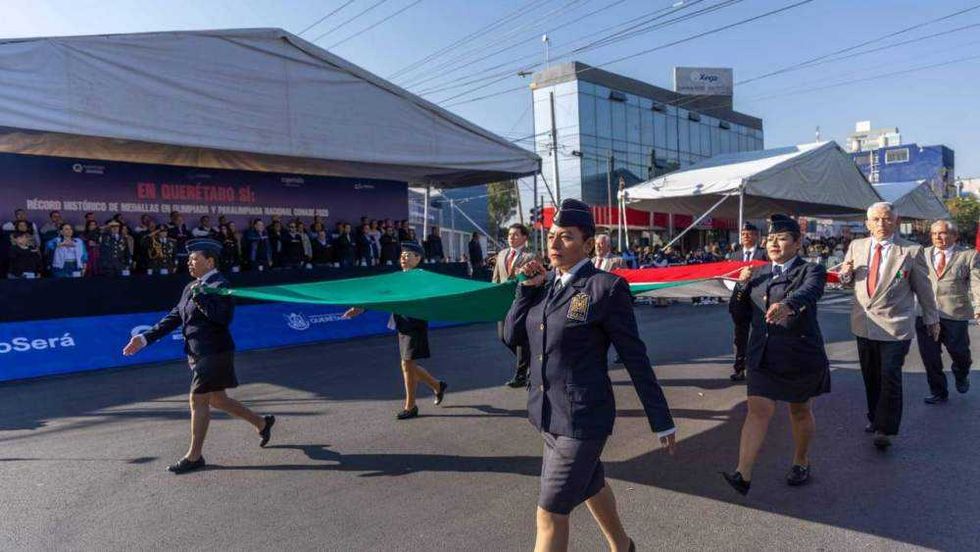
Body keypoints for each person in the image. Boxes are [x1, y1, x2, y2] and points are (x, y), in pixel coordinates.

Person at [505, 198, 676, 552]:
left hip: (583, 419)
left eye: (565, 237)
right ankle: (623, 546)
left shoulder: (605, 288)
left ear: (587, 244)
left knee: (549, 513)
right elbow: (511, 337)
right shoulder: (544, 284)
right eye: (551, 235)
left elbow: (635, 358)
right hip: (548, 415)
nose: (553, 244)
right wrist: (524, 290)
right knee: (590, 484)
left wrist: (661, 419)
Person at [122, 238, 275, 474]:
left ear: (210, 261)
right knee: (218, 400)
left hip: (215, 351)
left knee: (198, 399)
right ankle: (262, 423)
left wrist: (201, 296)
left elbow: (222, 319)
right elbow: (174, 317)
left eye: (195, 260)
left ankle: (194, 456)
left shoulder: (221, 284)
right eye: (189, 260)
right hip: (197, 353)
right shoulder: (190, 286)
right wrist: (144, 339)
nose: (190, 264)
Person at [721, 215, 830, 495]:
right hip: (763, 353)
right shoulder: (758, 273)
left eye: (781, 238)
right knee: (757, 410)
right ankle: (742, 474)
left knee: (799, 410)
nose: (774, 244)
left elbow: (810, 292)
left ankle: (801, 460)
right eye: (770, 239)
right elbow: (738, 315)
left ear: (797, 243)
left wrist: (788, 305)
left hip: (798, 353)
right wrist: (741, 287)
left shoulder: (811, 270)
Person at [839, 202, 940, 450]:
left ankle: (885, 428)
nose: (881, 224)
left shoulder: (911, 251)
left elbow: (924, 288)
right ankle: (875, 417)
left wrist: (931, 318)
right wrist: (845, 275)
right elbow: (846, 283)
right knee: (871, 375)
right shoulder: (856, 246)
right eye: (875, 220)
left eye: (886, 219)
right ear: (867, 224)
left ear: (896, 221)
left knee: (890, 375)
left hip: (896, 325)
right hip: (864, 324)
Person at [343, 242, 448, 419]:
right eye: (402, 255)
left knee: (407, 364)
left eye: (408, 255)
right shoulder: (398, 278)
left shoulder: (422, 277)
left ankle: (411, 406)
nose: (404, 257)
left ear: (418, 258)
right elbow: (381, 295)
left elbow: (434, 296)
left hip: (415, 324)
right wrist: (361, 308)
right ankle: (437, 385)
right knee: (408, 364)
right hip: (402, 324)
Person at [916, 220, 980, 404]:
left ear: (954, 235)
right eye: (934, 233)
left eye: (943, 233)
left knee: (959, 352)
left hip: (955, 314)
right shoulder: (922, 253)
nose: (938, 237)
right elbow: (906, 276)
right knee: (930, 357)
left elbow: (977, 283)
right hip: (925, 313)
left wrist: (979, 308)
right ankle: (938, 392)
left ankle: (961, 373)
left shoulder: (968, 255)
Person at [492, 223, 538, 388]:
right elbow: (496, 279)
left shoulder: (530, 256)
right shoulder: (502, 254)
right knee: (504, 337)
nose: (511, 237)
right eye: (509, 234)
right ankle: (531, 361)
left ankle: (520, 375)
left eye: (515, 234)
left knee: (517, 337)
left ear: (524, 238)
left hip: (521, 305)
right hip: (503, 305)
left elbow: (535, 281)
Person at [728, 222, 769, 381]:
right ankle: (739, 369)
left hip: (758, 300)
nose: (745, 236)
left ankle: (757, 367)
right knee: (740, 335)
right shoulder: (735, 255)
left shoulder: (764, 254)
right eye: (743, 233)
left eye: (749, 233)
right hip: (739, 300)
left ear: (756, 236)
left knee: (759, 333)